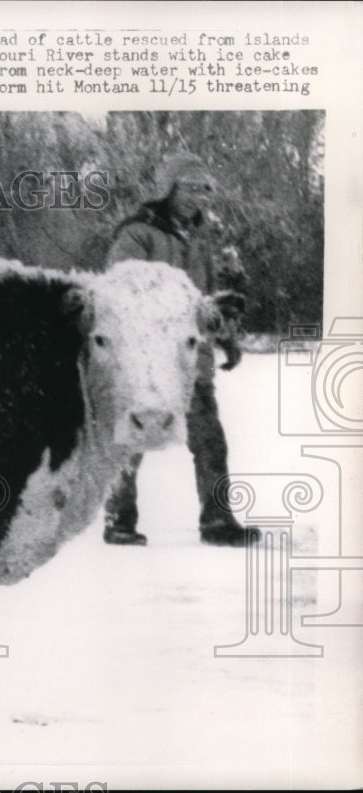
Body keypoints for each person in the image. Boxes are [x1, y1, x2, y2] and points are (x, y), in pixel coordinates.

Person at [103, 151, 260, 547]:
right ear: (168, 188)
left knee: (209, 439)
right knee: (134, 436)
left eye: (206, 191)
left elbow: (207, 298)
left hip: (192, 360)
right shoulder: (138, 233)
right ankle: (119, 519)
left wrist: (226, 338)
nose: (199, 198)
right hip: (147, 361)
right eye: (190, 189)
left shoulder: (202, 237)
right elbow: (122, 287)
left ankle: (218, 521)